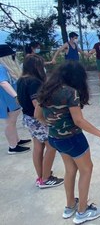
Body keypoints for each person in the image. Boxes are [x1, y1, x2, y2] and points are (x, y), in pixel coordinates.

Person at [35, 61, 100, 224]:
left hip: (55, 138)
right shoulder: (70, 92)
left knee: (70, 170)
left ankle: (70, 206)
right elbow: (79, 121)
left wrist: (53, 127)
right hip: (73, 138)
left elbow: (37, 115)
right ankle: (82, 211)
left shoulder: (46, 89)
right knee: (86, 169)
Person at [17, 54, 64, 188]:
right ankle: (46, 178)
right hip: (37, 119)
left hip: (28, 118)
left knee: (38, 146)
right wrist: (47, 119)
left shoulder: (22, 80)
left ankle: (41, 175)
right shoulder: (34, 82)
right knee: (51, 146)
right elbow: (37, 105)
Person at [0, 44, 31, 154]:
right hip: (7, 100)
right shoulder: (1, 67)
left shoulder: (6, 67)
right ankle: (12, 147)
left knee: (12, 122)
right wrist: (16, 96)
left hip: (12, 101)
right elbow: (3, 83)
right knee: (10, 123)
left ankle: (16, 141)